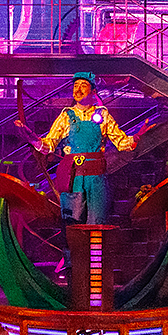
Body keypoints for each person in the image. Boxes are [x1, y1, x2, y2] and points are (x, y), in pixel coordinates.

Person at [32, 71, 137, 224]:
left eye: (83, 85)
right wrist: (35, 141)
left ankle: (96, 239)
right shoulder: (66, 116)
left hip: (96, 178)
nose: (78, 89)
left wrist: (136, 138)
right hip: (73, 178)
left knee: (97, 222)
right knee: (72, 223)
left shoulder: (103, 115)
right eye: (76, 86)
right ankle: (72, 240)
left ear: (93, 91)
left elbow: (121, 143)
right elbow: (49, 144)